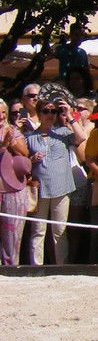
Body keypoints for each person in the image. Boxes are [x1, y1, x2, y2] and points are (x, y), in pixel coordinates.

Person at [24, 95, 88, 264]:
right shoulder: (29, 137)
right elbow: (23, 161)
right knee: (38, 230)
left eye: (54, 111)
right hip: (41, 189)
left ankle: (61, 266)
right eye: (46, 111)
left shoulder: (63, 132)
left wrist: (68, 114)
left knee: (59, 230)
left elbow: (81, 138)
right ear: (39, 113)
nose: (51, 114)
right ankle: (36, 266)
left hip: (61, 187)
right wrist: (31, 159)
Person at [0, 101, 32, 265]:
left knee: (12, 235)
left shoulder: (13, 131)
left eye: (4, 112)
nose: (1, 116)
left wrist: (11, 141)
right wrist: (3, 146)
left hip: (14, 189)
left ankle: (11, 267)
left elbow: (25, 153)